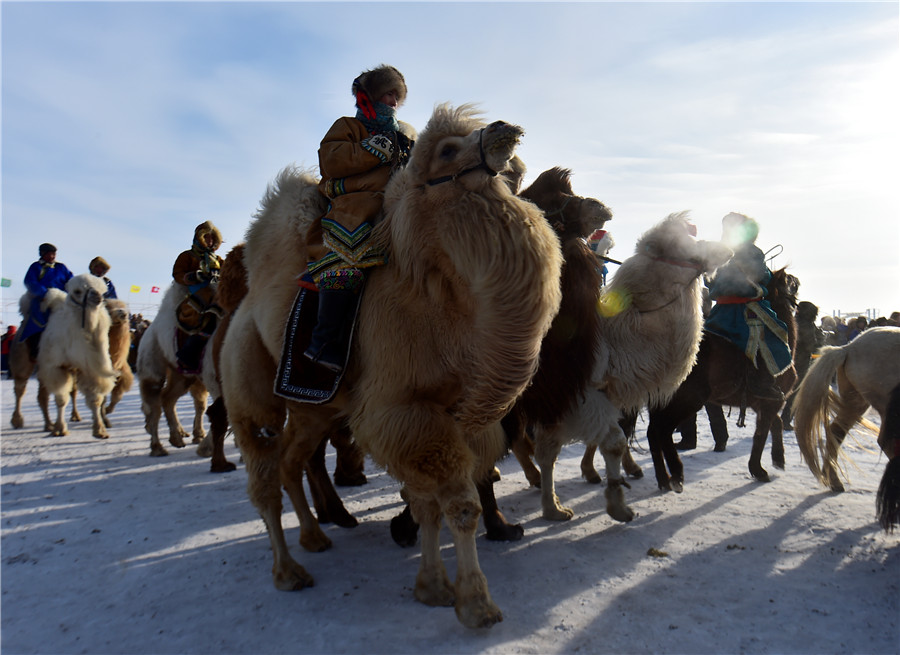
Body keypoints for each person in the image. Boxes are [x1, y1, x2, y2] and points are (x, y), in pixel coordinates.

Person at [303, 64, 415, 373]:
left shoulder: (406, 133)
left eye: (396, 96)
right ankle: (323, 341)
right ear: (372, 96)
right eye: (388, 94)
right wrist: (373, 149)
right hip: (354, 207)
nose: (393, 101)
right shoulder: (348, 126)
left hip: (398, 205)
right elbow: (331, 161)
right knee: (345, 257)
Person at [704, 212, 792, 401]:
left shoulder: (718, 253)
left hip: (719, 312)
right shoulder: (753, 252)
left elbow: (709, 280)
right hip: (745, 311)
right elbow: (763, 277)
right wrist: (766, 274)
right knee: (771, 339)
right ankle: (763, 382)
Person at [172, 221, 223, 372]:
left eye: (212, 238)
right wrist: (193, 276)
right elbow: (178, 274)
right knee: (209, 313)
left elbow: (227, 271)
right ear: (198, 238)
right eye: (206, 237)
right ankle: (188, 354)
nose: (210, 241)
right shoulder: (187, 256)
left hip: (217, 290)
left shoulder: (217, 259)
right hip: (196, 292)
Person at [19, 243, 73, 360]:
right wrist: (44, 294)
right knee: (37, 322)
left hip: (61, 300)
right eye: (49, 254)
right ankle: (35, 350)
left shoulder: (61, 267)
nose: (52, 256)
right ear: (42, 254)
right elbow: (30, 282)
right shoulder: (36, 267)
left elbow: (71, 281)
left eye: (54, 254)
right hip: (42, 300)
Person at [781, 300, 825, 429]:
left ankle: (774, 419)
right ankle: (785, 420)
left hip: (786, 361)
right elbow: (810, 346)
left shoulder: (792, 321)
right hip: (801, 364)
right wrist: (820, 339)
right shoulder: (807, 325)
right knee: (795, 393)